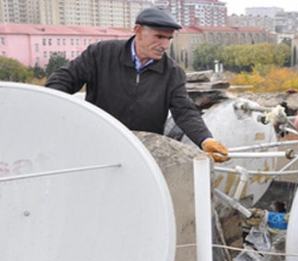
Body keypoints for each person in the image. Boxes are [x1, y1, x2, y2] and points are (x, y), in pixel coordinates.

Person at [45, 8, 228, 162]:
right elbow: (62, 81)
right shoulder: (101, 54)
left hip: (142, 154)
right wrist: (55, 114)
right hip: (96, 147)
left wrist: (205, 139)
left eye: (168, 39)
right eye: (159, 37)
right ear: (138, 31)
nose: (164, 45)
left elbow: (185, 111)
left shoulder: (172, 72)